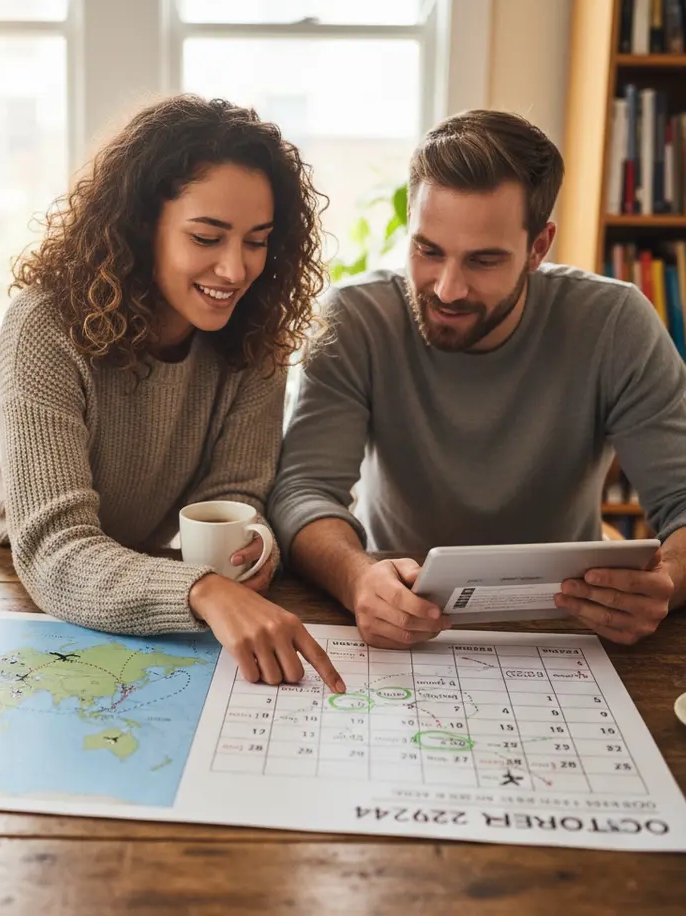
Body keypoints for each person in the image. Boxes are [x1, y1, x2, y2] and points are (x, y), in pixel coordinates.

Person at [0, 94, 344, 693]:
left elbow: (232, 494)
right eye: (206, 237)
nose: (235, 270)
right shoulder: (45, 324)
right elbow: (53, 546)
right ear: (140, 225)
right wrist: (203, 589)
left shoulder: (257, 332)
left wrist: (249, 549)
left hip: (120, 566)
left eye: (257, 240)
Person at [268, 109, 686, 650]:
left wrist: (668, 581)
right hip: (400, 615)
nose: (447, 289)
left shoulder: (615, 323)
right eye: (428, 250)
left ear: (539, 248)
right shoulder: (357, 319)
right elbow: (304, 491)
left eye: (483, 261)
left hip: (568, 627)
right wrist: (356, 578)